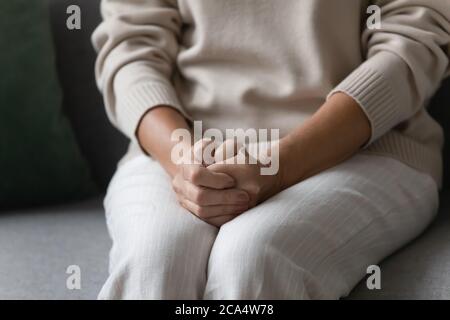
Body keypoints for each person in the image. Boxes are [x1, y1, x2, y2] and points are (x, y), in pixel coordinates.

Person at [92, 0, 450, 299]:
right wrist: (185, 161)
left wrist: (278, 167)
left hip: (362, 146)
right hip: (176, 143)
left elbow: (412, 39)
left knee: (253, 256)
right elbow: (130, 47)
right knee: (156, 259)